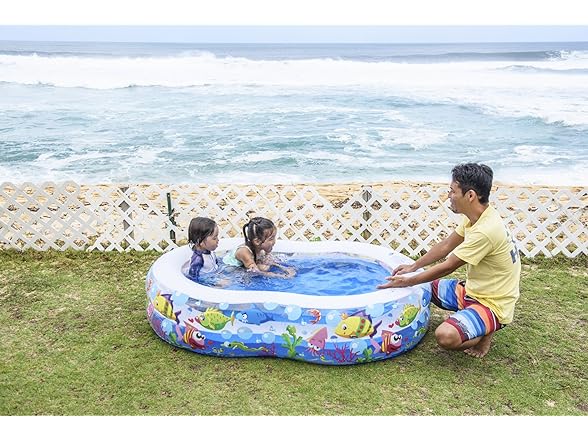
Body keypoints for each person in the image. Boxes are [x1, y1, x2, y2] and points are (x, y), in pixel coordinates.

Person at [377, 163, 521, 358]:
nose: (448, 196)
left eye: (452, 191)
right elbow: (446, 246)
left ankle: (485, 333)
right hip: (472, 290)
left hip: (492, 304)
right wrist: (413, 267)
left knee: (445, 336)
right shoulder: (477, 217)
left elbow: (449, 266)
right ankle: (470, 318)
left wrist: (407, 281)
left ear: (470, 195)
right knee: (424, 287)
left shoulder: (486, 231)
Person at [223, 216, 295, 278]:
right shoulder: (244, 252)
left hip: (247, 264)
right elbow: (254, 271)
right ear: (257, 241)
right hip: (230, 270)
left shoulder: (261, 248)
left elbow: (270, 262)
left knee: (266, 264)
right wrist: (280, 276)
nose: (274, 241)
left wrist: (285, 268)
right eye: (271, 239)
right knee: (263, 268)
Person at [186, 216, 221, 282]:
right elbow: (193, 279)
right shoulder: (198, 259)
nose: (218, 240)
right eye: (214, 238)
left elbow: (216, 263)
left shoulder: (210, 251)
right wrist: (215, 282)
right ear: (200, 241)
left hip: (214, 275)